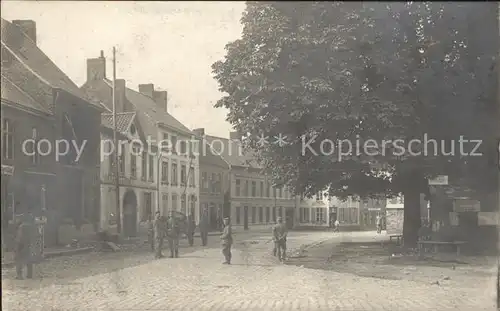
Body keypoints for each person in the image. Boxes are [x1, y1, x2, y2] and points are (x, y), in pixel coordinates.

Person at [14, 210, 35, 279]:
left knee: (18, 260)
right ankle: (29, 275)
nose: (16, 220)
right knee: (28, 259)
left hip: (21, 244)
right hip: (28, 244)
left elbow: (20, 237)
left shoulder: (21, 227)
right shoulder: (30, 226)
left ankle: (19, 275)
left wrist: (17, 246)